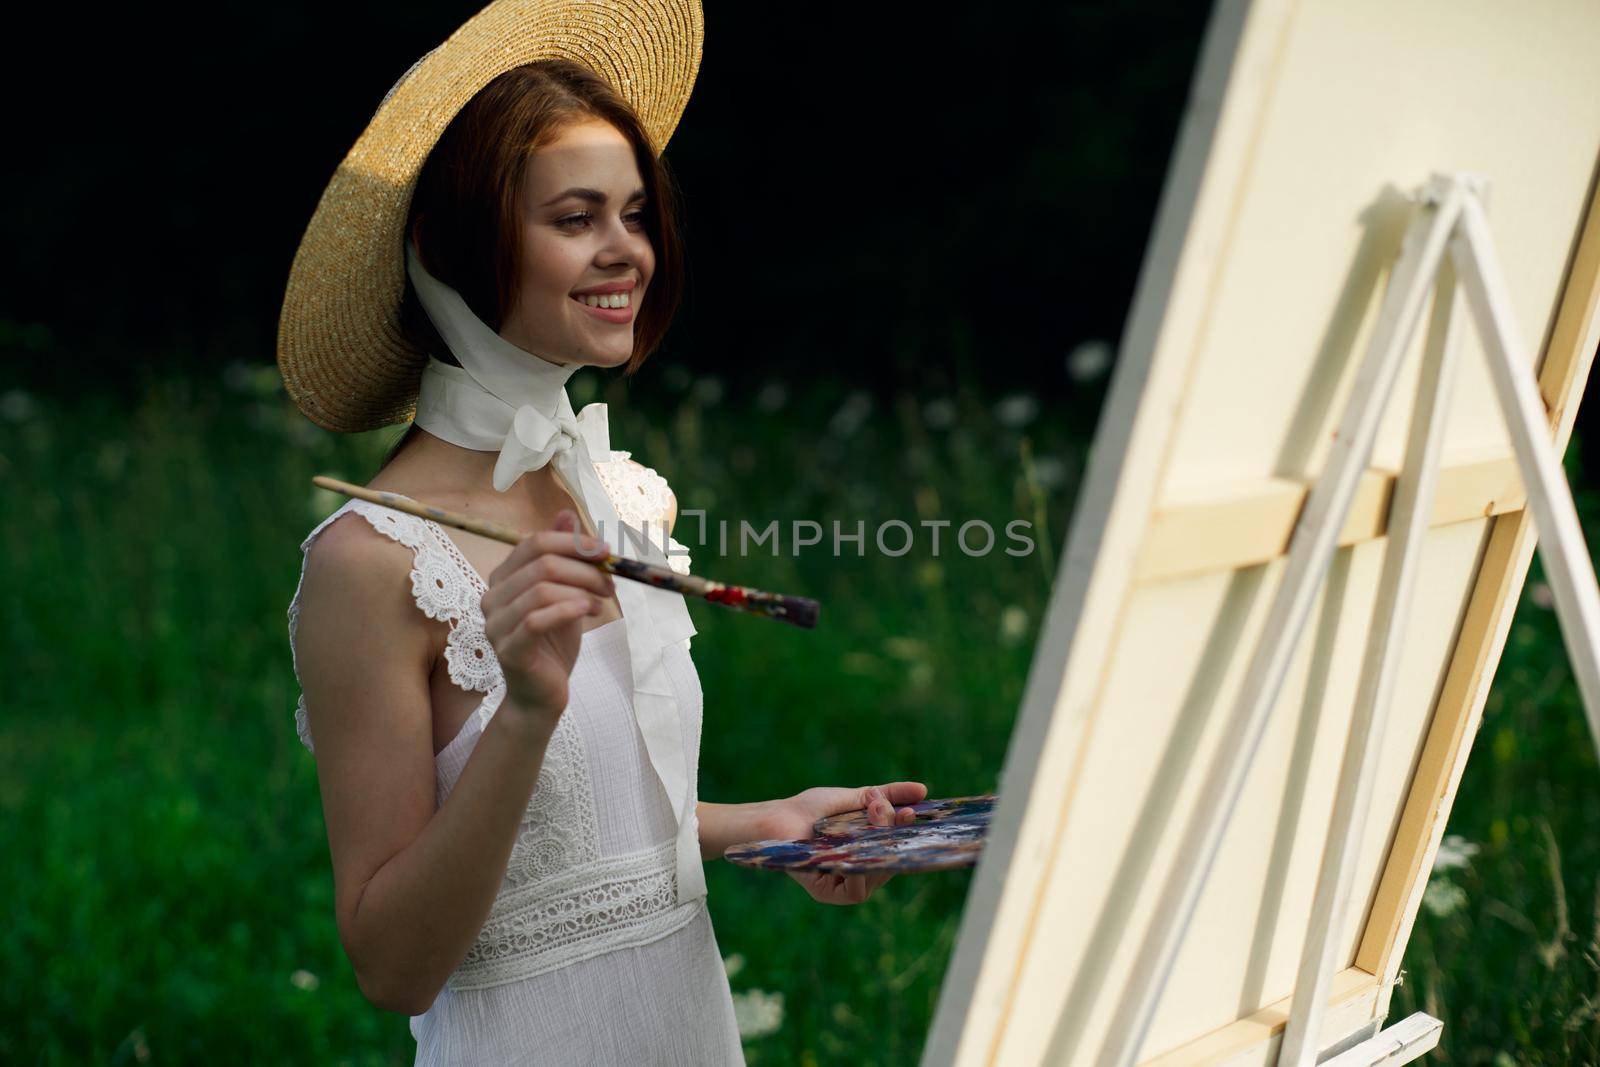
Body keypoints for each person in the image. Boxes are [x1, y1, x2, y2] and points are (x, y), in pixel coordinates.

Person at [276, 3, 926, 1062]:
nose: (626, 250)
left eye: (633, 213)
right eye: (575, 218)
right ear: (453, 245)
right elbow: (393, 964)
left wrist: (763, 823)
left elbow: (596, 844)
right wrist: (528, 706)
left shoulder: (625, 497)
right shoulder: (370, 563)